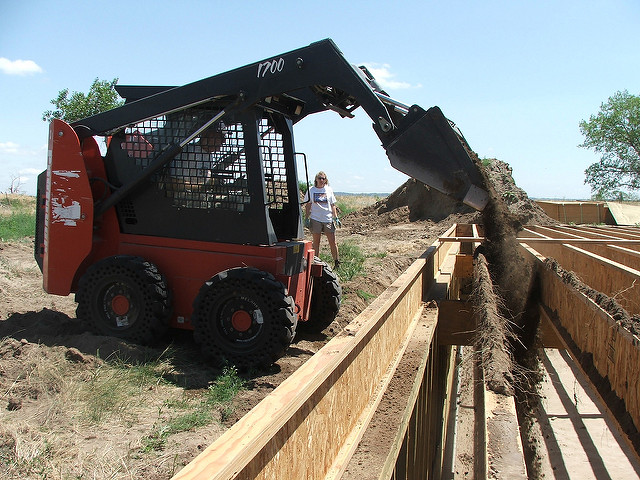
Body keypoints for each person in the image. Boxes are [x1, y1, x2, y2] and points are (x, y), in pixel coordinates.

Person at [304, 171, 340, 269]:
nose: (321, 180)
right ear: (316, 179)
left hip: (327, 218)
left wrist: (335, 217)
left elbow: (332, 205)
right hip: (315, 218)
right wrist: (306, 218)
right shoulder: (311, 190)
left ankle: (337, 262)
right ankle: (316, 262)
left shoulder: (328, 189)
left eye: (323, 178)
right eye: (320, 178)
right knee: (316, 242)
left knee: (332, 241)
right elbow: (308, 205)